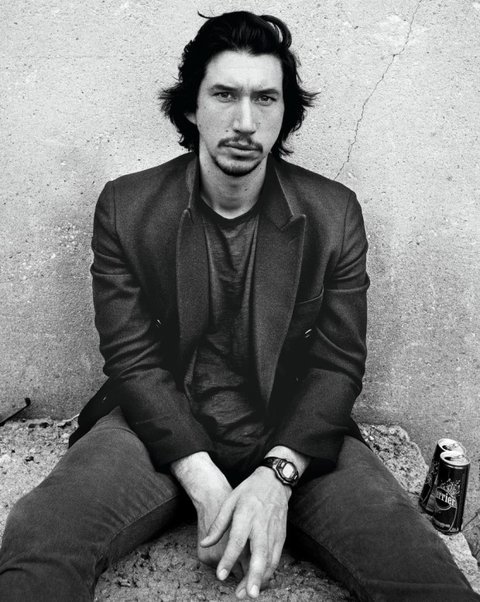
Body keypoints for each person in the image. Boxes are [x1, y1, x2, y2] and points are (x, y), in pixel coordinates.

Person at [0, 11, 478, 602]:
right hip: (155, 427)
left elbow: (337, 365)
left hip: (293, 429)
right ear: (192, 107)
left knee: (418, 569)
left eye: (265, 98)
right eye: (225, 95)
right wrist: (202, 480)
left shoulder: (333, 214)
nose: (245, 121)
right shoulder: (127, 207)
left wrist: (277, 477)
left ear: (285, 112)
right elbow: (133, 361)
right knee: (41, 535)